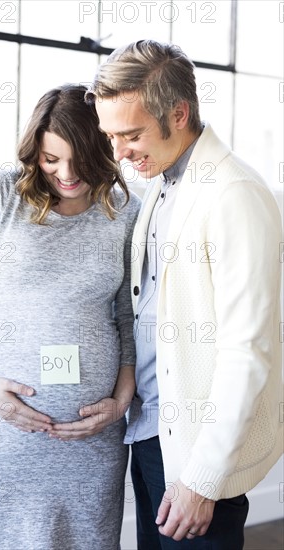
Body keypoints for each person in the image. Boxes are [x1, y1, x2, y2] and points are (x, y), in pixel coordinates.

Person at [77, 39, 283, 549]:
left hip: (196, 456)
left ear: (179, 112)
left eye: (131, 135)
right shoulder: (160, 190)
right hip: (151, 434)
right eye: (110, 136)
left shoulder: (234, 194)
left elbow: (247, 350)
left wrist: (202, 479)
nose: (120, 153)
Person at [0, 84, 141, 549]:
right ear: (35, 152)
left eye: (80, 160)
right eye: (51, 159)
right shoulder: (1, 194)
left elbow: (131, 318)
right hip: (1, 430)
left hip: (93, 439)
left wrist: (120, 402)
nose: (66, 174)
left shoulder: (127, 211)